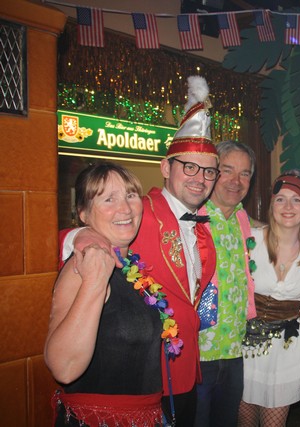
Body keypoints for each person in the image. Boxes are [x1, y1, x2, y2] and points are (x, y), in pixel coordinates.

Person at [60, 76, 219, 426]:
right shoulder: (137, 211)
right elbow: (73, 232)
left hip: (186, 372)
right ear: (165, 168)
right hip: (143, 377)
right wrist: (81, 236)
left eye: (209, 171)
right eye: (189, 166)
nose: (200, 178)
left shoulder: (204, 227)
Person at [46, 162, 164, 426]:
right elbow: (63, 368)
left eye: (130, 195)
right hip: (97, 420)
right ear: (84, 214)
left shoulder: (130, 268)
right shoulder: (83, 266)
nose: (125, 208)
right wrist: (94, 282)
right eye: (109, 199)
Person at [237, 171, 300, 427]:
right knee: (245, 422)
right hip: (246, 347)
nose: (288, 206)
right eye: (281, 199)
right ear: (272, 205)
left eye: (296, 200)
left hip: (286, 351)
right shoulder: (251, 241)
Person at [195, 140, 259, 427]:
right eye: (227, 170)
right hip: (198, 352)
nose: (236, 181)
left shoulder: (242, 219)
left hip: (234, 349)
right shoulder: (192, 215)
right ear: (211, 172)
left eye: (245, 173)